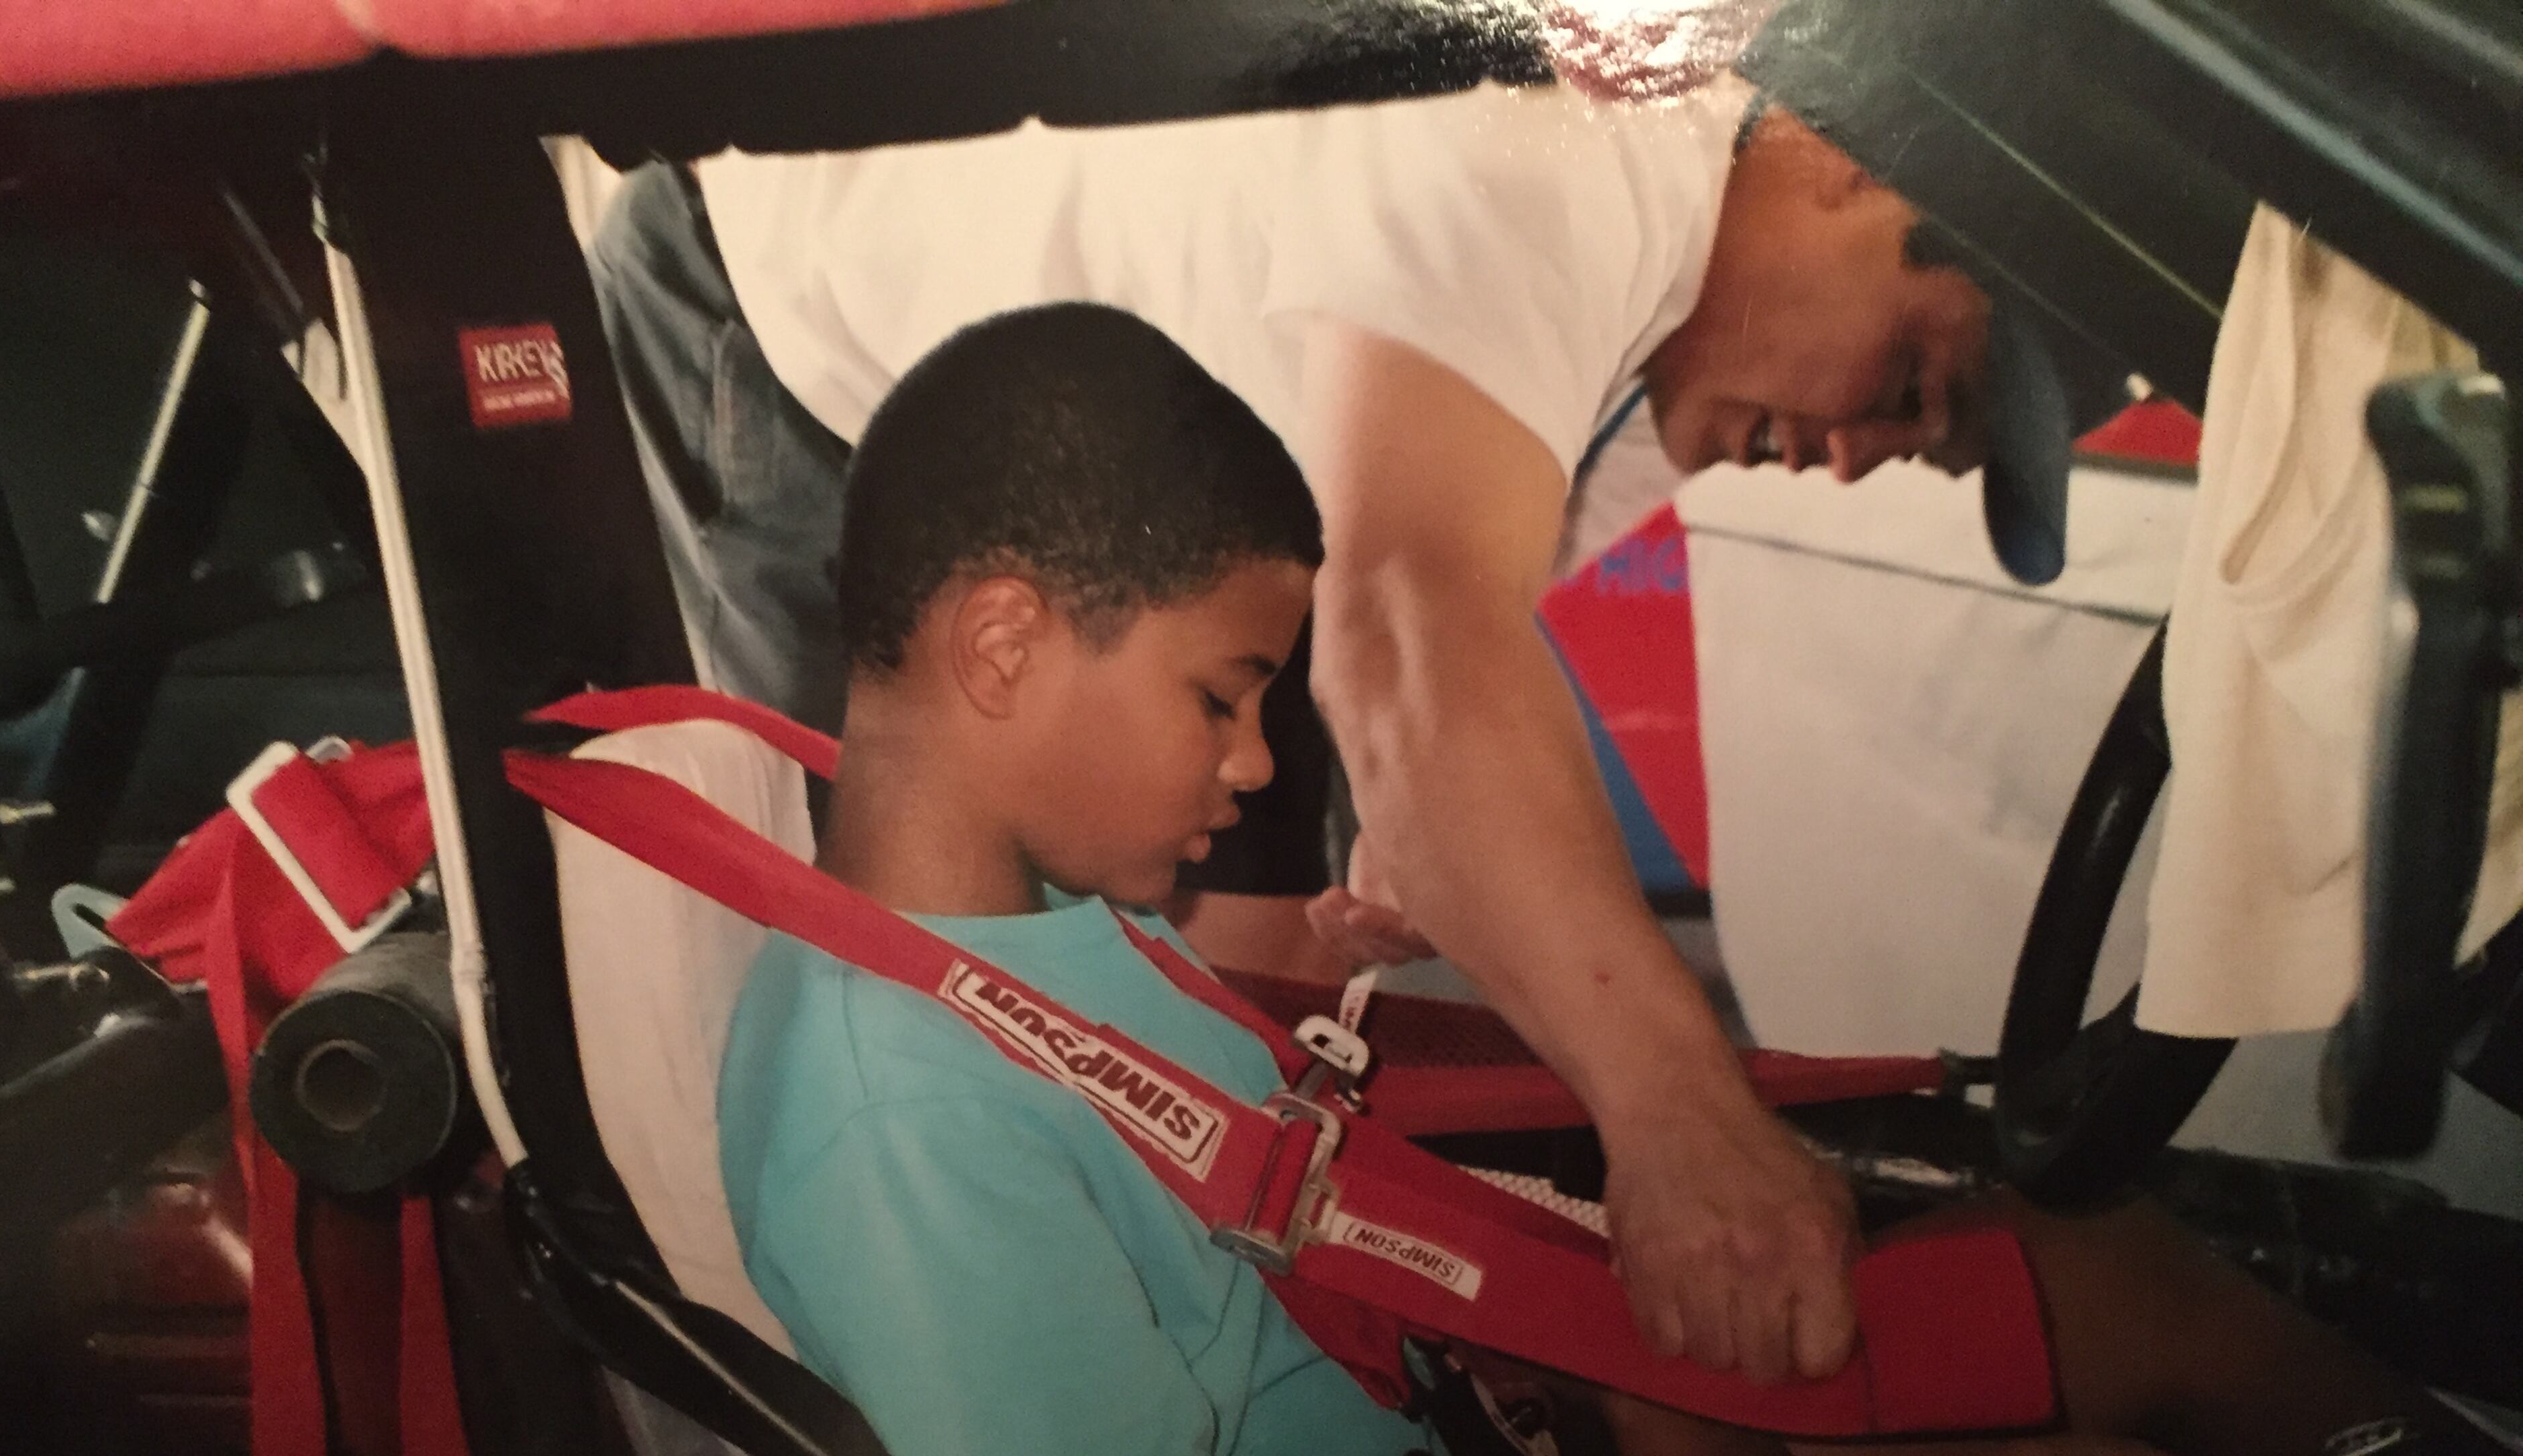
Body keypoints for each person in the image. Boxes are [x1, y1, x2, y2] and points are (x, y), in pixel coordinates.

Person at [715, 303, 2495, 1456]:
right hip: (1477, 1403)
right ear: (1003, 646)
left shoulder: (1049, 926)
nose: (1257, 770)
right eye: (1221, 699)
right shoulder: (894, 1121)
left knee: (2100, 1274)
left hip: (1491, 1371)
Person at [603, 70, 2012, 1388]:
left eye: (1918, 455)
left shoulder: (1670, 336)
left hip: (1188, 457)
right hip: (803, 304)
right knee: (901, 1011)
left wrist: (1435, 819)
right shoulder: (1583, 150)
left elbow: (1431, 653)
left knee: (1241, 1015)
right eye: (1909, 387)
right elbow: (1409, 637)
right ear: (1841, 169)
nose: (1857, 459)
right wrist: (1685, 1129)